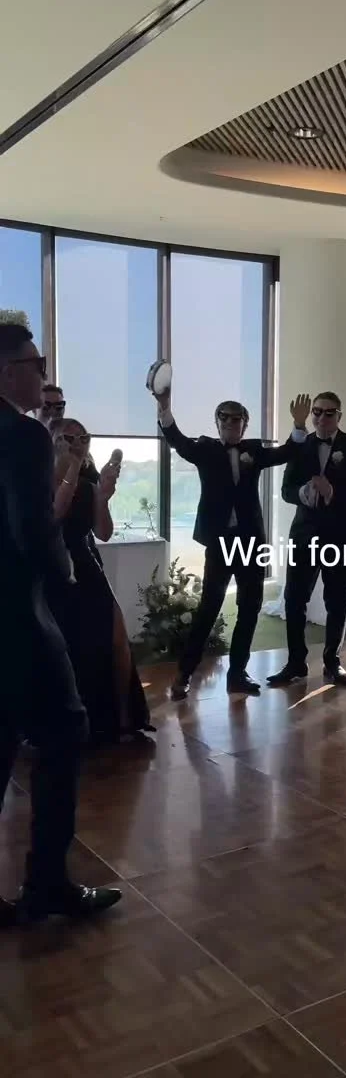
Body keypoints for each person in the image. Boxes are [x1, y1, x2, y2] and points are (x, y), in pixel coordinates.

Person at [0, 320, 120, 924]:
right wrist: (63, 574)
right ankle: (47, 883)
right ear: (6, 372)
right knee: (67, 729)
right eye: (36, 365)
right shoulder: (22, 436)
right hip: (18, 615)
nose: (44, 376)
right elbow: (33, 525)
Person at [157, 382, 310, 697]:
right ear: (216, 423)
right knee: (209, 608)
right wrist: (165, 407)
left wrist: (298, 425)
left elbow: (287, 452)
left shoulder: (254, 450)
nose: (230, 422)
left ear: (245, 424)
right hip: (219, 542)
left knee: (250, 608)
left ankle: (238, 673)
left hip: (251, 541)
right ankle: (184, 674)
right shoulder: (205, 449)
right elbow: (177, 440)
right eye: (224, 418)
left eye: (236, 418)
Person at [48, 417, 154, 743]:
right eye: (68, 438)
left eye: (83, 438)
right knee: (67, 646)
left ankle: (123, 718)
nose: (77, 444)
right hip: (52, 566)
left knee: (116, 638)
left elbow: (103, 532)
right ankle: (72, 722)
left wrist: (103, 498)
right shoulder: (39, 479)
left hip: (86, 563)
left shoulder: (88, 483)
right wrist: (72, 470)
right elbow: (53, 518)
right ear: (53, 441)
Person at [267, 392, 346, 688]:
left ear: (339, 416)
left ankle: (332, 662)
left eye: (329, 412)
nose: (322, 417)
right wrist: (302, 493)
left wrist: (331, 491)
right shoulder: (300, 445)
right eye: (317, 412)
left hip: (341, 535)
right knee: (294, 599)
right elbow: (286, 489)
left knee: (337, 600)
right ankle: (295, 663)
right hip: (305, 535)